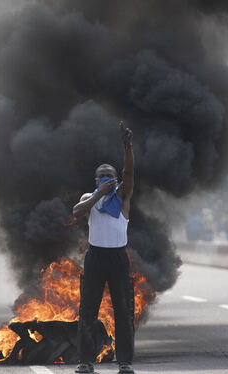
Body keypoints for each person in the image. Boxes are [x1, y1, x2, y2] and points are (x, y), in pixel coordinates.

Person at [72, 122, 135, 374]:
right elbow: (76, 211)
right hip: (95, 257)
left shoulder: (122, 198)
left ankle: (125, 362)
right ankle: (86, 361)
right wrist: (99, 193)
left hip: (118, 258)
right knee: (88, 310)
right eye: (101, 176)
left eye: (110, 176)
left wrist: (127, 146)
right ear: (96, 180)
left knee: (123, 310)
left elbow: (130, 173)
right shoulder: (89, 199)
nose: (106, 178)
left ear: (117, 180)